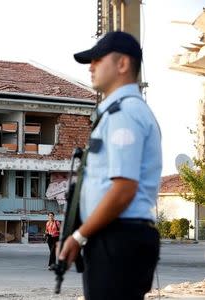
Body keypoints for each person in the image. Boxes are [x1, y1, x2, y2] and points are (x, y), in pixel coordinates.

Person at [58, 31, 162, 300]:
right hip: (115, 238)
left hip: (118, 238)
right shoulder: (119, 111)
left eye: (97, 59)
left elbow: (124, 188)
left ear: (122, 64)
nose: (91, 67)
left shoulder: (124, 113)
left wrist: (79, 236)